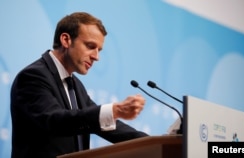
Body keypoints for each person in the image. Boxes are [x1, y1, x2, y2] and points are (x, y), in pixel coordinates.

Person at [10, 12, 148, 158]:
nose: (96, 57)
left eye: (99, 50)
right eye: (90, 46)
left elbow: (103, 124)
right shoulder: (33, 76)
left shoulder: (76, 85)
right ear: (66, 40)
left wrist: (154, 141)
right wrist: (115, 110)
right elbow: (55, 121)